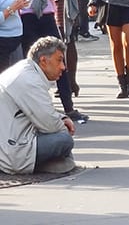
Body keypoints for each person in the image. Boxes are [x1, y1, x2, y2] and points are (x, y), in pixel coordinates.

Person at [9, 0, 85, 121]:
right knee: (30, 62)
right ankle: (32, 108)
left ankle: (68, 107)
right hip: (27, 17)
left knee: (59, 59)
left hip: (47, 14)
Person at [0, 36, 76, 175]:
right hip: (12, 152)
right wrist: (63, 127)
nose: (63, 67)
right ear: (43, 61)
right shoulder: (29, 81)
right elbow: (49, 124)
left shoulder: (24, 70)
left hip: (8, 143)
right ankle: (43, 164)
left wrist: (62, 118)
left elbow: (40, 110)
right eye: (59, 60)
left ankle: (49, 162)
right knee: (65, 140)